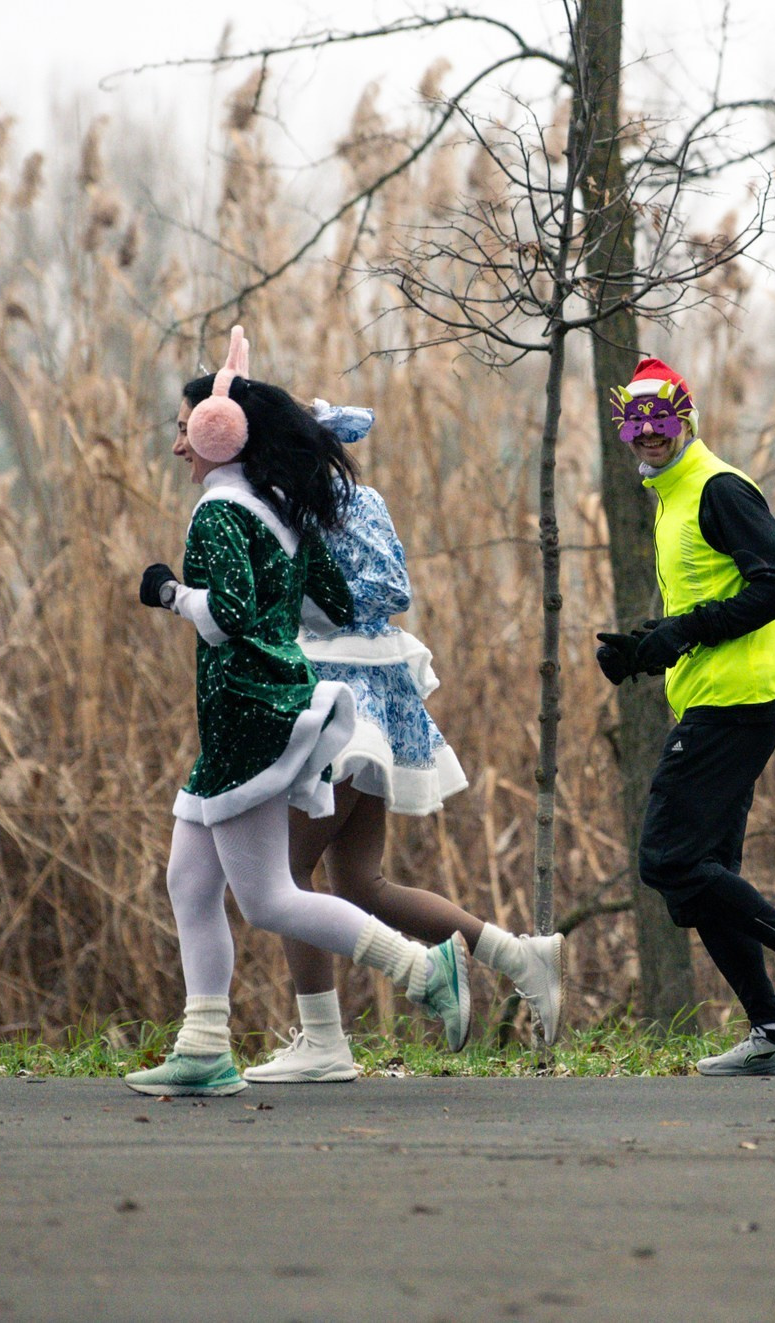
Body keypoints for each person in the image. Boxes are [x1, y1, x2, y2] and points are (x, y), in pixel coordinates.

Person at [124, 328, 469, 1097]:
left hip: (248, 714)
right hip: (257, 711)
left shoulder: (219, 512)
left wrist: (169, 593)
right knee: (189, 879)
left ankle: (424, 969)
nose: (179, 446)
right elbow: (339, 601)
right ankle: (204, 1042)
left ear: (220, 432)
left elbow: (233, 613)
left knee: (272, 896)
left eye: (185, 429)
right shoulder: (281, 508)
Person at [250, 399, 565, 1084]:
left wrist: (295, 592)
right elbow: (391, 583)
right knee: (361, 882)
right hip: (377, 702)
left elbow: (385, 587)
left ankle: (327, 1037)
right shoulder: (358, 499)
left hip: (342, 705)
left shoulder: (298, 510)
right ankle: (519, 957)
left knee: (281, 875)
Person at [591, 356, 775, 1076]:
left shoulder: (717, 487)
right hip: (718, 691)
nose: (648, 434)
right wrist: (650, 643)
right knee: (704, 872)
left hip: (740, 696)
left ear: (687, 416)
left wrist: (684, 631)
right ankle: (774, 1033)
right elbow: (708, 601)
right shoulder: (671, 494)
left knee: (667, 857)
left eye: (661, 419)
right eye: (635, 422)